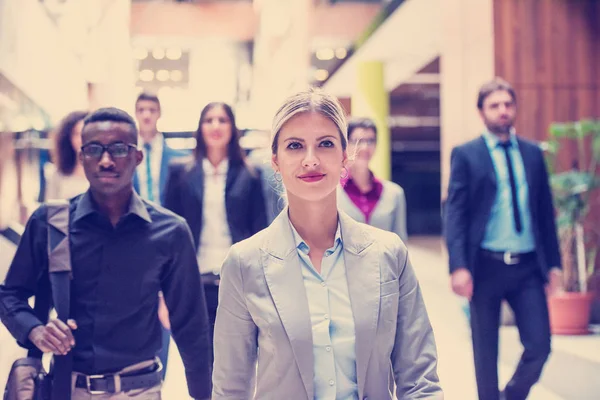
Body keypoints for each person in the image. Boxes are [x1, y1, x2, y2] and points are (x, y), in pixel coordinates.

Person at [211, 89, 442, 400]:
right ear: (276, 161)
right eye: (295, 146)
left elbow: (420, 380)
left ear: (344, 157)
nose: (311, 160)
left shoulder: (388, 253)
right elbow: (230, 390)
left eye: (325, 144)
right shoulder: (244, 262)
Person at [0, 107, 212, 399]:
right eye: (95, 149)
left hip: (141, 389)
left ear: (137, 157)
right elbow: (9, 295)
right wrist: (34, 330)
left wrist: (203, 394)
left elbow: (191, 328)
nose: (106, 160)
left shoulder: (171, 231)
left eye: (119, 149)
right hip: (69, 388)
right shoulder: (49, 222)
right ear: (81, 156)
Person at [445, 78, 562, 400]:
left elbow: (543, 212)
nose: (502, 111)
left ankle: (512, 395)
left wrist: (553, 265)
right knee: (485, 352)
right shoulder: (467, 155)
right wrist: (458, 266)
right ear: (481, 112)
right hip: (484, 266)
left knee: (540, 346)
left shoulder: (533, 154)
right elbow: (455, 213)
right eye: (494, 105)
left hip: (526, 268)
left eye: (507, 105)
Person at [163, 101, 267, 360]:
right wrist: (163, 290)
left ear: (233, 128)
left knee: (237, 362)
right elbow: (168, 235)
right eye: (209, 120)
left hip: (237, 281)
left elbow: (261, 232)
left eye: (223, 120)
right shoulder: (181, 173)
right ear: (200, 128)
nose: (216, 126)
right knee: (200, 363)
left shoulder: (251, 175)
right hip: (195, 280)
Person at [132, 92, 188, 379]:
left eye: (151, 109)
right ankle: (140, 372)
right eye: (141, 109)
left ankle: (159, 375)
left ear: (159, 113)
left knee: (167, 308)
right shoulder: (126, 155)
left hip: (168, 241)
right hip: (133, 242)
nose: (146, 115)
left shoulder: (178, 158)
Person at [338, 117, 408, 242]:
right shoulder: (331, 192)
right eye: (357, 141)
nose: (364, 147)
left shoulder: (394, 193)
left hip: (384, 262)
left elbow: (400, 244)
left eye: (370, 141)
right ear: (345, 144)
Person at [45, 111, 90, 201]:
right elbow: (52, 209)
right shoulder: (58, 174)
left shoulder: (104, 171)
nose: (81, 139)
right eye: (76, 134)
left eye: (85, 134)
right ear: (68, 138)